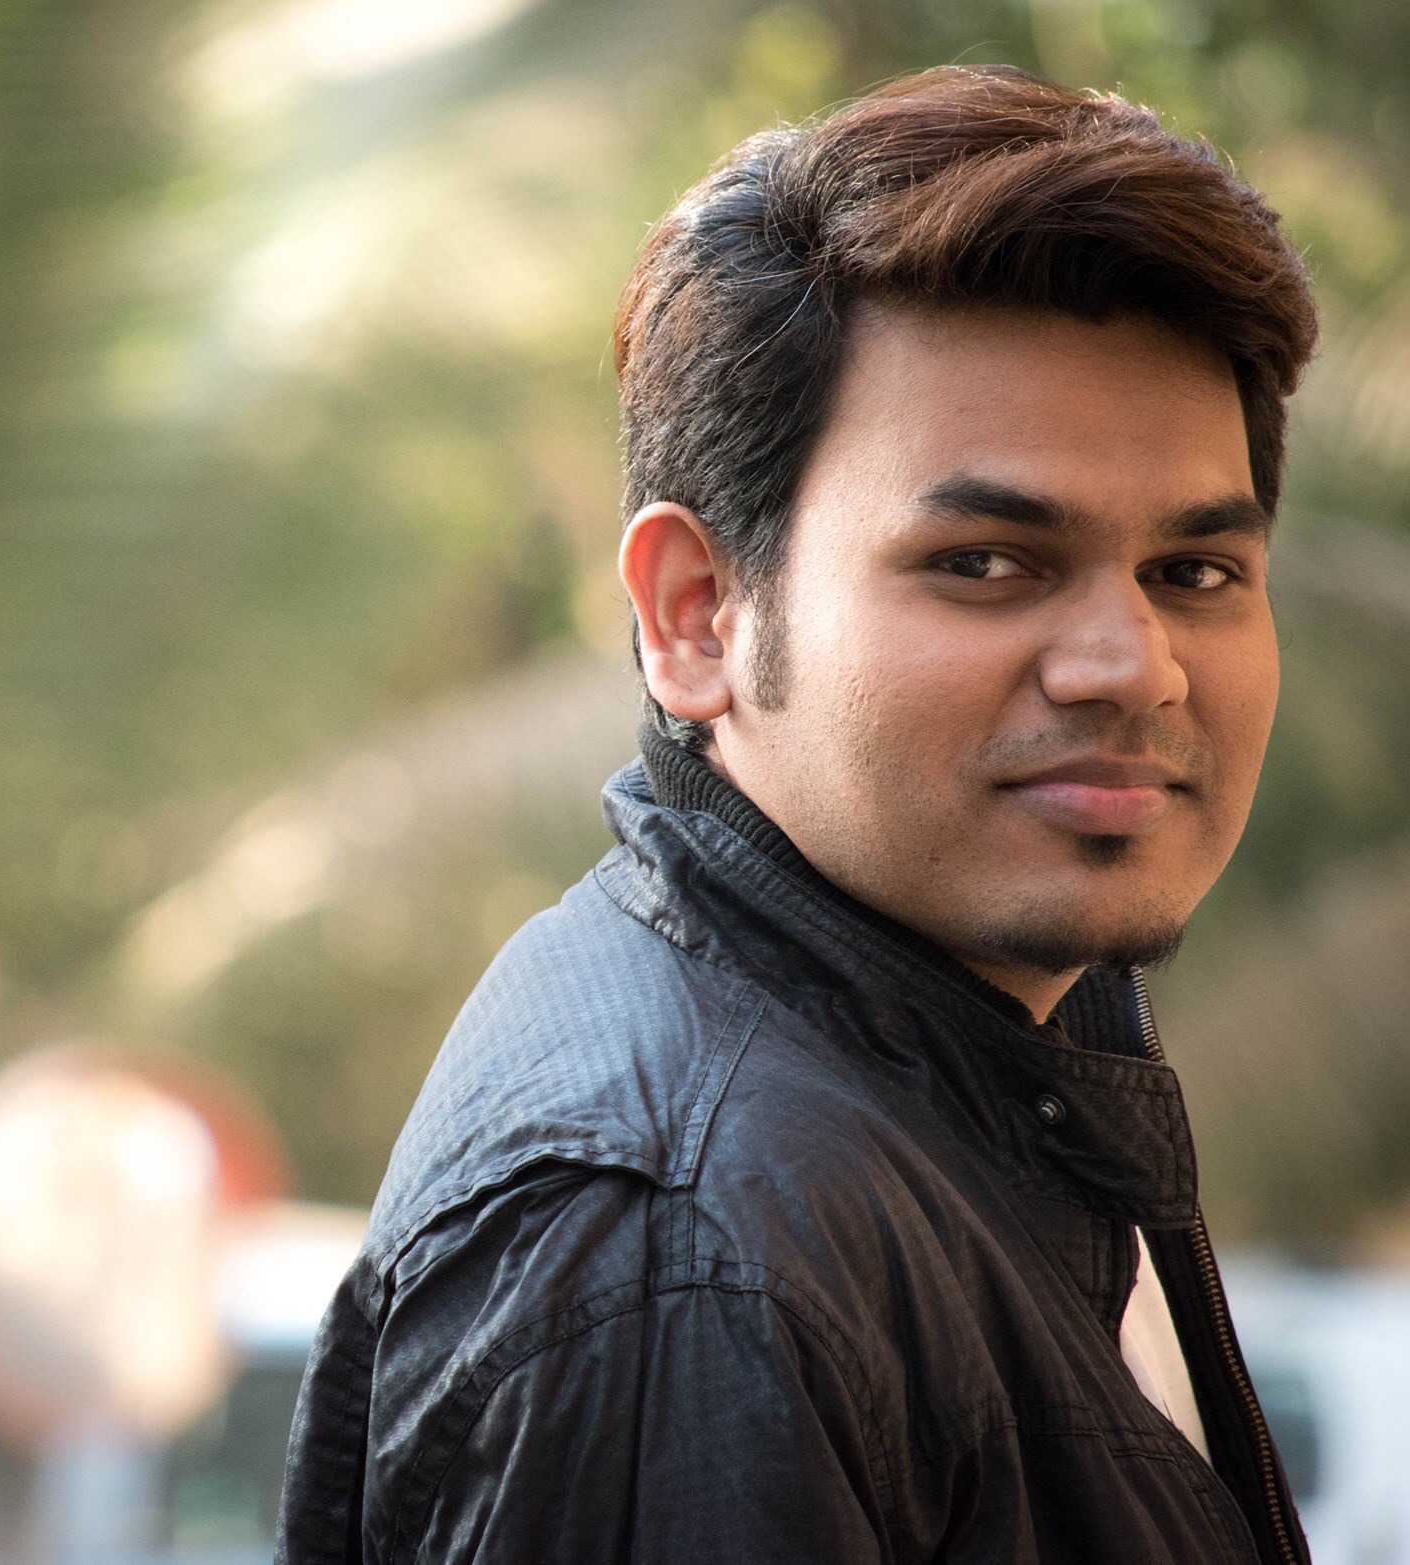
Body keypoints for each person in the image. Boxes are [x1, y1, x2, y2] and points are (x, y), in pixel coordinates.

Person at [275, 65, 1321, 1565]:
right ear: (696, 615)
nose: (1132, 665)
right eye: (984, 563)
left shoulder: (1011, 1062)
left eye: (1195, 573)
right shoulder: (687, 1254)